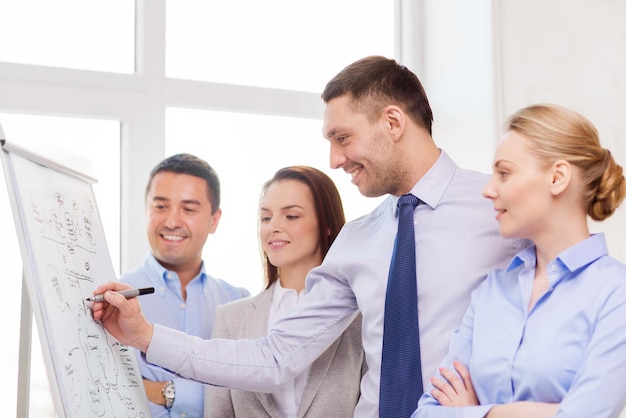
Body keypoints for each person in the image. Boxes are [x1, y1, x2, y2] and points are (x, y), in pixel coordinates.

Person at [91, 56, 525, 417]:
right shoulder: (357, 240)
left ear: (393, 121)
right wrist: (146, 336)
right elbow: (274, 357)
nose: (335, 160)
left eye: (343, 138)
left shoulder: (500, 206)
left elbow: (566, 313)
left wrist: (493, 407)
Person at [414, 104, 626, 417]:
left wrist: (475, 412)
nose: (488, 190)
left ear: (557, 177)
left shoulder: (616, 293)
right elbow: (426, 413)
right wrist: (514, 413)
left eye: (504, 173)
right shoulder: (492, 291)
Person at [205, 165, 365, 417]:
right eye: (266, 217)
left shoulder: (360, 317)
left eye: (291, 216)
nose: (273, 227)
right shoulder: (231, 319)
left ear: (326, 225)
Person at [120, 153, 250, 418]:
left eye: (188, 209)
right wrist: (212, 394)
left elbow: (249, 399)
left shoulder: (240, 302)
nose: (171, 221)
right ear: (146, 209)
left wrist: (163, 391)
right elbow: (107, 393)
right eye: (160, 206)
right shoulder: (115, 300)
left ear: (214, 220)